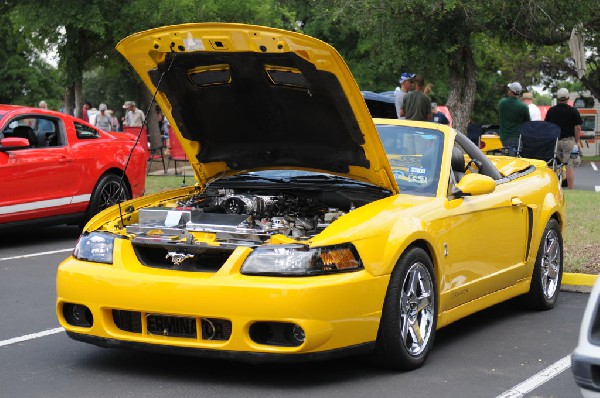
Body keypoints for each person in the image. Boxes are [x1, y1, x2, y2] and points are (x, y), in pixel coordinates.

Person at [545, 88, 583, 189]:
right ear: (568, 98)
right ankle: (570, 190)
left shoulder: (551, 111)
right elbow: (578, 127)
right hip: (568, 141)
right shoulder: (573, 111)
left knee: (554, 166)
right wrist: (577, 141)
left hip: (555, 142)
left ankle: (554, 189)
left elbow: (547, 126)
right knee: (569, 166)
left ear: (557, 98)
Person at [498, 82, 530, 155]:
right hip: (517, 138)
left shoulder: (502, 103)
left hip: (503, 137)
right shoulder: (523, 107)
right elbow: (527, 123)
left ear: (511, 91)